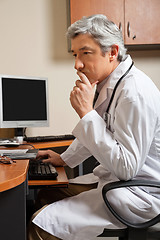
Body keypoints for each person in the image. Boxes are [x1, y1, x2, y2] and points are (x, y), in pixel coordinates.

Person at [28, 14, 160, 240]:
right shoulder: (109, 83)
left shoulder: (134, 93)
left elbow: (126, 168)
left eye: (85, 53)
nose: (77, 64)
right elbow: (99, 128)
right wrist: (64, 159)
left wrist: (86, 112)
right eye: (75, 54)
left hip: (139, 194)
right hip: (117, 184)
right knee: (46, 193)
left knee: (39, 227)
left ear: (112, 52)